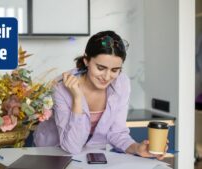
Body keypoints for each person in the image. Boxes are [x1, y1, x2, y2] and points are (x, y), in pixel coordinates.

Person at [33, 30, 167, 160]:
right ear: (86, 60)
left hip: (92, 156)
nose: (107, 77)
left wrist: (137, 148)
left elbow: (117, 133)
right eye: (101, 68)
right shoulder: (61, 87)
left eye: (115, 70)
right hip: (52, 154)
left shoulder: (121, 83)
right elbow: (71, 147)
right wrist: (77, 98)